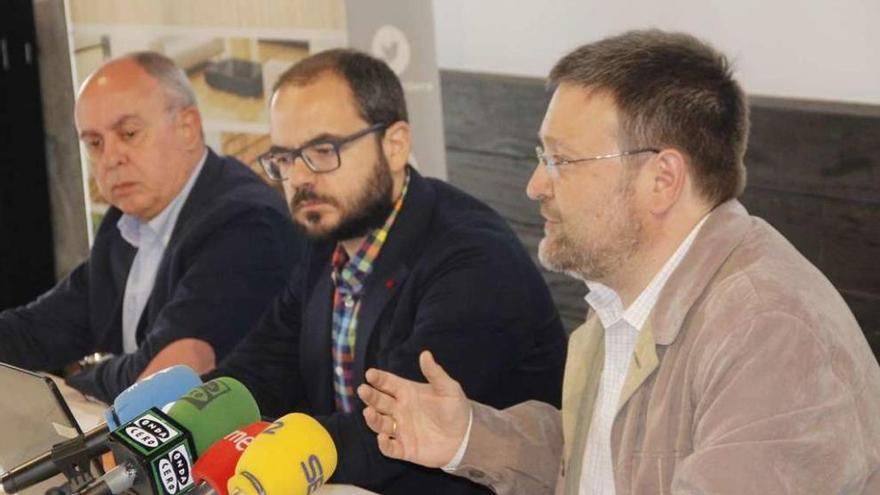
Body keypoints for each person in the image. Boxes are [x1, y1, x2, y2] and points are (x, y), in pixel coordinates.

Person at [357, 29, 880, 494]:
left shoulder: (768, 330)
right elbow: (598, 465)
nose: (535, 186)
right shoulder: (627, 289)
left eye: (561, 161)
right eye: (542, 159)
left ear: (662, 179)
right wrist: (467, 436)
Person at [209, 49, 567, 494]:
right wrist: (184, 426)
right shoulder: (330, 236)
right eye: (284, 158)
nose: (299, 177)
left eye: (322, 150)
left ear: (395, 145)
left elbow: (390, 429)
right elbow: (259, 369)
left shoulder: (475, 259)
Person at [0, 52, 301, 403]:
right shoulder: (127, 220)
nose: (111, 158)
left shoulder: (246, 225)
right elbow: (39, 329)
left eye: (128, 133)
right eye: (95, 143)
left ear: (187, 127)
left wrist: (76, 380)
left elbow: (164, 375)